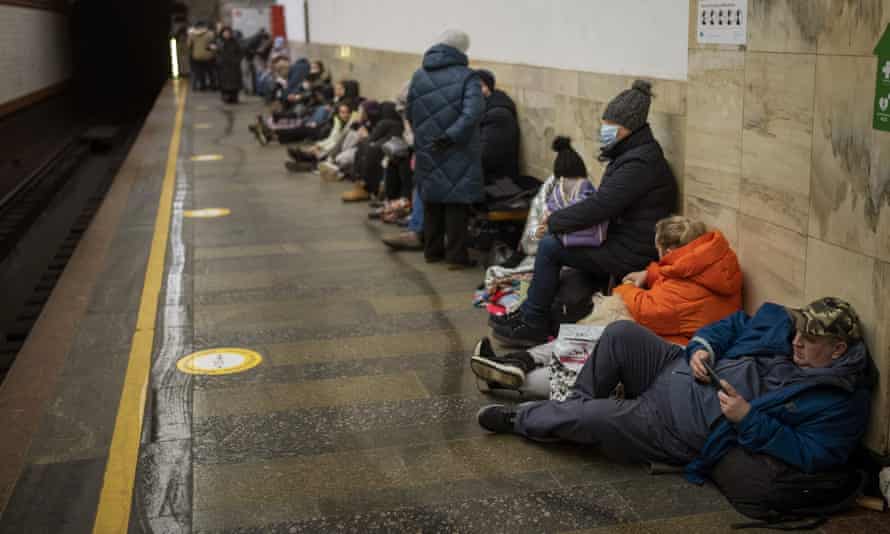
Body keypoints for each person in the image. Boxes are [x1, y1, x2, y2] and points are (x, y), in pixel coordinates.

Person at [477, 297, 875, 487]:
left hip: (674, 425)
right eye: (799, 335)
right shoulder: (786, 332)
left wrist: (748, 418)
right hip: (677, 366)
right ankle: (570, 415)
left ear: (838, 350)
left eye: (809, 342)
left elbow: (814, 454)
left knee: (597, 417)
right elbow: (731, 325)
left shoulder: (838, 401)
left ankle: (524, 419)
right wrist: (704, 347)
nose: (797, 344)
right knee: (620, 334)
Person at [492, 79, 677, 346]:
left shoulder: (640, 162)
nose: (604, 129)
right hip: (621, 240)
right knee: (556, 246)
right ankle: (529, 312)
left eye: (609, 125)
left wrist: (556, 221)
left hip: (631, 250)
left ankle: (532, 322)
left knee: (550, 246)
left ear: (627, 128)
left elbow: (602, 205)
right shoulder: (633, 154)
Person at [471, 216, 743, 396]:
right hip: (674, 341)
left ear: (670, 250)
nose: (657, 259)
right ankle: (517, 361)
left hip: (674, 356)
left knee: (588, 361)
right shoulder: (710, 264)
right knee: (589, 338)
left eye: (658, 252)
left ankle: (510, 378)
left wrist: (625, 288)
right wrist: (648, 273)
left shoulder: (687, 286)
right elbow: (671, 273)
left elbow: (651, 309)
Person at [408, 29, 484, 269]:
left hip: (427, 146)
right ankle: (456, 256)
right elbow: (473, 112)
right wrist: (451, 136)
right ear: (462, 50)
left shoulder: (419, 75)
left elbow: (410, 110)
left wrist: (424, 136)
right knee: (456, 203)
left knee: (432, 200)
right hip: (457, 148)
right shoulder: (468, 77)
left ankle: (432, 252)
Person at [342, 101, 405, 202]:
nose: (359, 113)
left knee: (368, 149)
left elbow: (370, 138)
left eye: (361, 111)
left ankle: (365, 187)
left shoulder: (384, 123)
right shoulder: (387, 123)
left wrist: (365, 136)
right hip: (384, 146)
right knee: (365, 148)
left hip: (384, 148)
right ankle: (362, 185)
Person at [477, 69, 520, 182]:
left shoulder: (497, 115)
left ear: (486, 88)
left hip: (496, 182)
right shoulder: (484, 108)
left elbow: (486, 156)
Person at [187, 21, 216, 91]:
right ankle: (213, 86)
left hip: (197, 56)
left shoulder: (192, 34)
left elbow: (188, 45)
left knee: (200, 73)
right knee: (210, 72)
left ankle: (203, 87)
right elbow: (213, 44)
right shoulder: (210, 34)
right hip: (208, 56)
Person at [217, 27, 243, 104]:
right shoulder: (220, 42)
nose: (226, 34)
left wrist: (237, 60)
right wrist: (219, 60)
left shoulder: (235, 42)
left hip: (233, 66)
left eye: (228, 33)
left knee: (234, 83)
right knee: (224, 83)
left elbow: (240, 52)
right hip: (224, 66)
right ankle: (226, 97)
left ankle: (234, 97)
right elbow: (216, 52)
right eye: (225, 33)